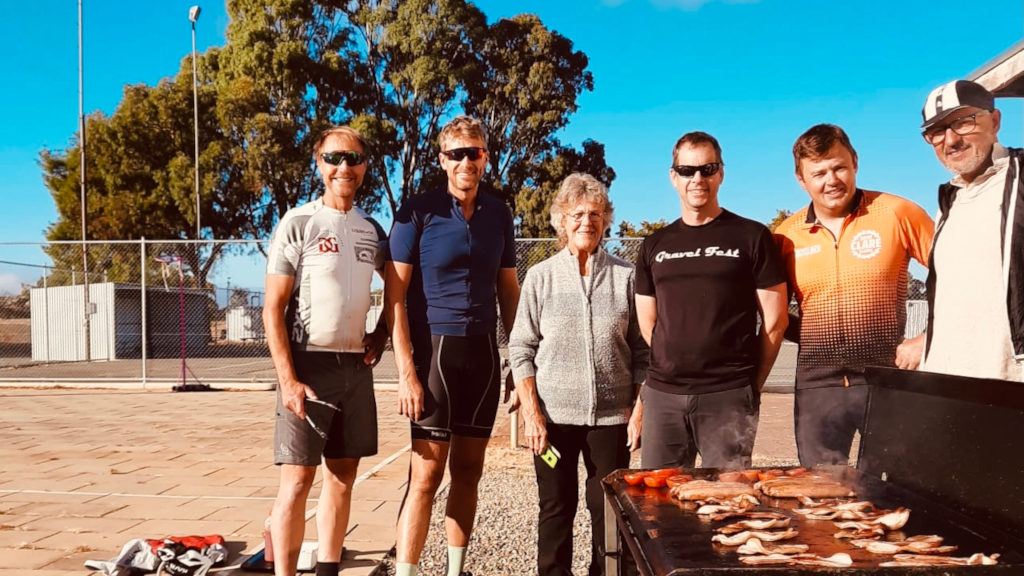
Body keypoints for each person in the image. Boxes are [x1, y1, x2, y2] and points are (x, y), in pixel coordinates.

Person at [385, 115, 520, 576]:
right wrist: (406, 373)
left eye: (475, 152)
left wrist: (518, 364)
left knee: (469, 473)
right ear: (442, 160)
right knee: (425, 477)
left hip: (482, 356)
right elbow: (395, 298)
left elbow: (509, 293)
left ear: (486, 157)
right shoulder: (417, 211)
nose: (467, 161)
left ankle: (454, 570)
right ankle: (405, 571)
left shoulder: (499, 214)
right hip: (434, 357)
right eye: (457, 153)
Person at [262, 126, 388, 576]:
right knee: (297, 481)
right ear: (319, 164)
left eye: (353, 159)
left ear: (365, 167)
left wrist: (383, 332)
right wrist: (288, 379)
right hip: (307, 366)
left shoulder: (371, 230)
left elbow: (399, 288)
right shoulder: (298, 222)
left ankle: (328, 570)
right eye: (334, 158)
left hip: (356, 368)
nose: (344, 167)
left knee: (342, 476)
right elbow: (272, 308)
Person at [508, 173, 648, 576]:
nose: (587, 221)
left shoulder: (625, 276)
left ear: (606, 220)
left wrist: (637, 411)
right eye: (577, 214)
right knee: (556, 506)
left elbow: (642, 350)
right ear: (562, 221)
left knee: (607, 510)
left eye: (596, 214)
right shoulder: (541, 277)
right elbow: (521, 348)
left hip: (611, 419)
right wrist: (532, 416)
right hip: (552, 420)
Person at [773, 124, 934, 466]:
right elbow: (771, 310)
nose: (831, 180)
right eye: (818, 173)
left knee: (893, 487)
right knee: (820, 490)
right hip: (817, 384)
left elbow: (959, 274)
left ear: (855, 162)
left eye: (839, 167)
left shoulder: (897, 212)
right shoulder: (786, 235)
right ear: (801, 180)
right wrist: (811, 336)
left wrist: (927, 336)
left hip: (886, 380)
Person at [633, 131, 788, 470]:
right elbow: (648, 324)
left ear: (721, 173)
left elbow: (775, 320)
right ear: (674, 177)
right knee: (659, 506)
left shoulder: (752, 236)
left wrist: (750, 384)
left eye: (707, 168)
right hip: (664, 396)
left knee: (729, 505)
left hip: (728, 395)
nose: (697, 178)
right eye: (687, 170)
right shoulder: (654, 245)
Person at [919, 80, 1024, 382]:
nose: (950, 140)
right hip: (951, 378)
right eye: (936, 131)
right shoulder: (949, 199)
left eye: (963, 122)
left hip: (1010, 379)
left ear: (995, 121)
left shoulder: (1020, 177)